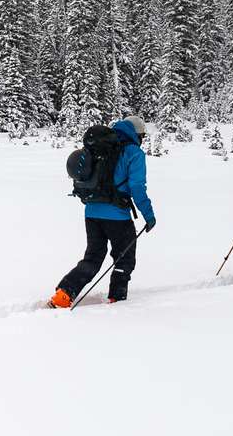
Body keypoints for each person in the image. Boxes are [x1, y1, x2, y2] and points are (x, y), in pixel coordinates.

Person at [51, 116, 156, 307]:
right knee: (124, 258)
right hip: (117, 216)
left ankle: (64, 294)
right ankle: (117, 299)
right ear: (137, 134)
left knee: (93, 257)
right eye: (142, 136)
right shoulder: (133, 153)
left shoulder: (100, 148)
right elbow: (137, 187)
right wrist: (149, 216)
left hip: (91, 213)